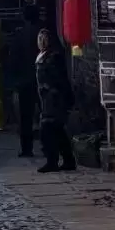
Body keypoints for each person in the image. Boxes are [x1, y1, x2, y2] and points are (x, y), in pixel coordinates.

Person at [36, 29, 77, 173]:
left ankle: (52, 160)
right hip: (47, 98)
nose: (41, 41)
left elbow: (58, 79)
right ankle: (68, 159)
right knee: (58, 130)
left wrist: (51, 89)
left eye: (44, 38)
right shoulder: (44, 55)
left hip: (54, 98)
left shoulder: (54, 57)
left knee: (47, 130)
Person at [11, 7, 42, 156]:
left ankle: (26, 149)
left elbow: (14, 59)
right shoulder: (43, 33)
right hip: (42, 79)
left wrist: (15, 79)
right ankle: (47, 146)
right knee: (45, 113)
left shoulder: (19, 35)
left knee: (25, 117)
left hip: (24, 81)